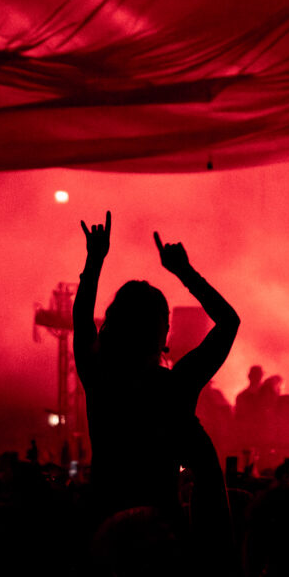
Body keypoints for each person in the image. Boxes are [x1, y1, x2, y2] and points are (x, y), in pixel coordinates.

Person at [74, 213, 239, 514]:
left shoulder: (99, 377)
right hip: (164, 535)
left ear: (111, 325)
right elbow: (229, 322)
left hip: (105, 529)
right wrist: (185, 272)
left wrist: (94, 260)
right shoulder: (176, 386)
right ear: (163, 332)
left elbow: (82, 320)